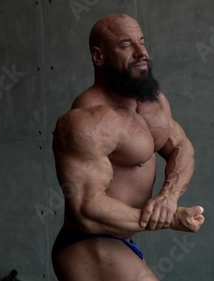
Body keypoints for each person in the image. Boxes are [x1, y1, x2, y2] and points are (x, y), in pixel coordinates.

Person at [51, 14, 205, 281]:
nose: (142, 52)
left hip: (123, 240)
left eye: (142, 42)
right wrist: (170, 219)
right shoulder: (86, 121)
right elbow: (88, 209)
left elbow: (182, 148)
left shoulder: (153, 103)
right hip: (88, 242)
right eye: (126, 45)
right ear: (99, 57)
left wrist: (168, 198)